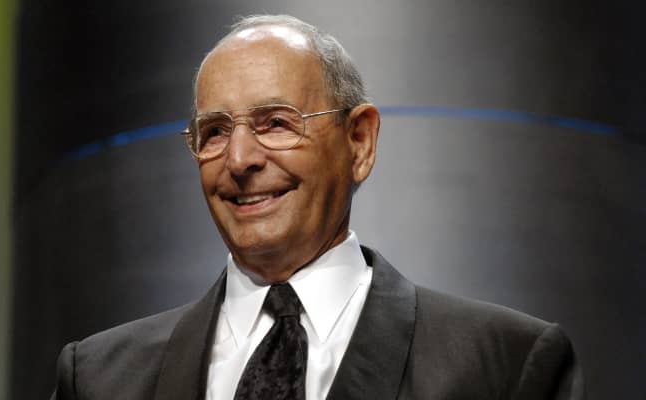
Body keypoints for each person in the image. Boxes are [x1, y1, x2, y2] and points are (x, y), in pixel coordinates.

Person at [51, 14, 584, 400]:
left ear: (359, 141)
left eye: (276, 123)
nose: (239, 159)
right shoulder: (99, 379)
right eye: (214, 132)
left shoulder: (508, 366)